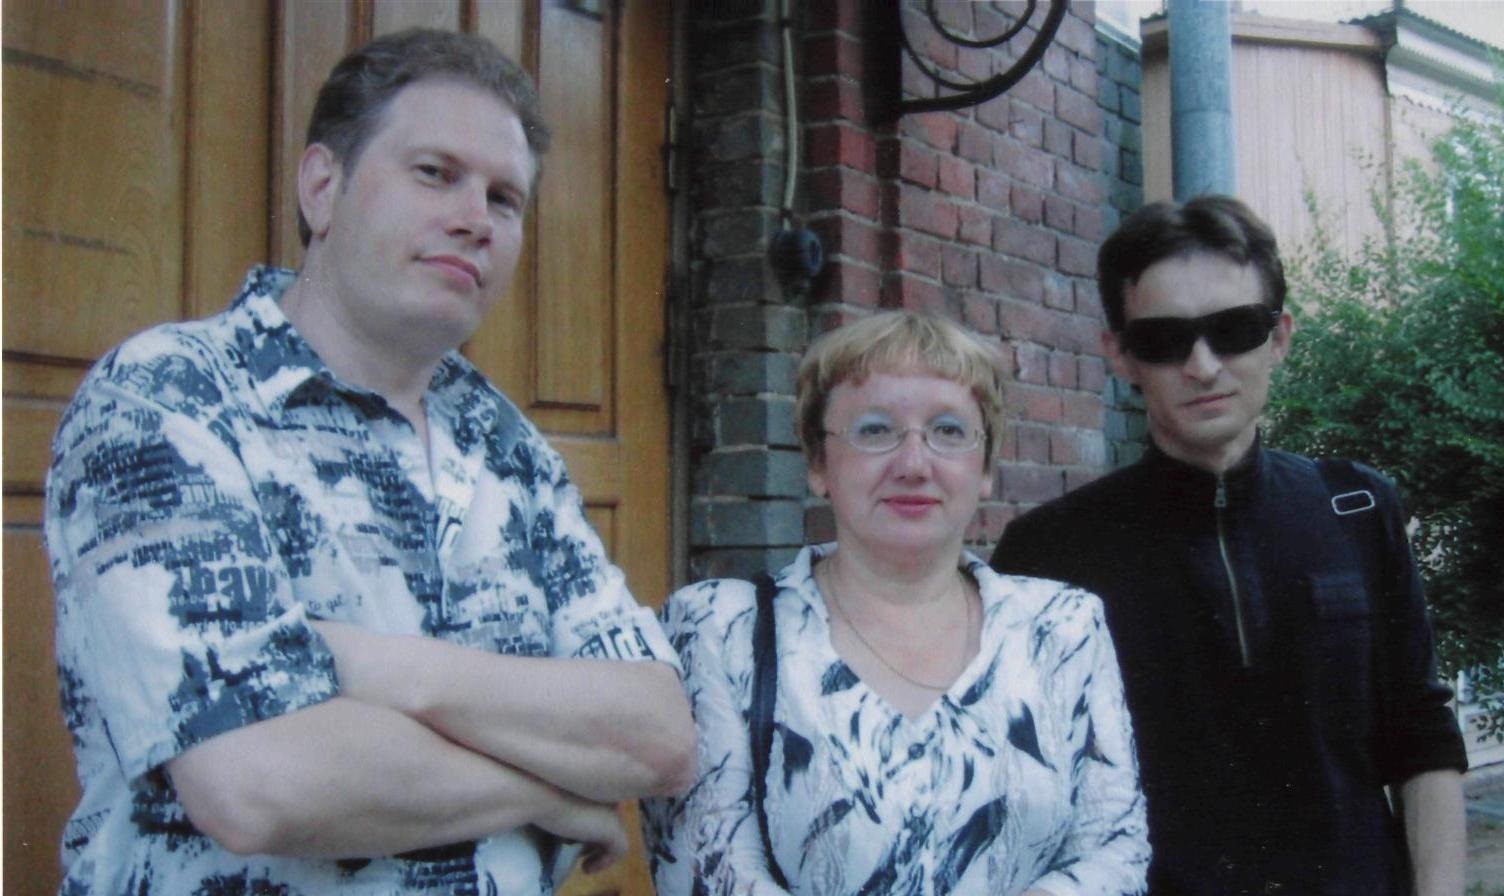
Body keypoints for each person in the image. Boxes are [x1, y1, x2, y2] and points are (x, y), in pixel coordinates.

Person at [44, 28, 695, 894]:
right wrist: (553, 792)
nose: (475, 218)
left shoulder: (510, 452)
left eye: (504, 199)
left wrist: (374, 666)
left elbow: (658, 734)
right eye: (434, 173)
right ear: (322, 186)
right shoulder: (170, 399)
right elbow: (258, 784)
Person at [991, 195, 1469, 895]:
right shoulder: (1050, 551)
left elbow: (1421, 734)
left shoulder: (1357, 508)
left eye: (1234, 329)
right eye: (1164, 339)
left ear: (1279, 337)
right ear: (1120, 355)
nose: (1203, 365)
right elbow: (1021, 790)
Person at [643, 311, 1149, 895]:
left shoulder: (1063, 629)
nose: (914, 464)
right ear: (817, 462)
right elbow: (708, 872)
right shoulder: (720, 629)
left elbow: (1114, 853)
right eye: (875, 430)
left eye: (949, 431)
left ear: (986, 467)